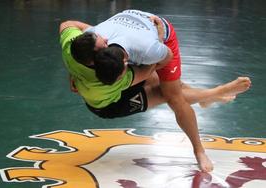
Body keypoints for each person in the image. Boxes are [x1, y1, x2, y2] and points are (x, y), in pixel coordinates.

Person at [59, 10, 251, 172]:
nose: (105, 39)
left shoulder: (83, 44)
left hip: (153, 38)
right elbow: (158, 62)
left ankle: (205, 113)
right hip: (132, 47)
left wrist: (157, 42)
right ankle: (211, 96)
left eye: (101, 40)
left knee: (171, 91)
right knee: (170, 91)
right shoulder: (95, 49)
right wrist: (156, 43)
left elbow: (164, 58)